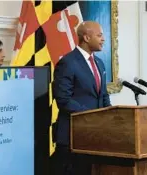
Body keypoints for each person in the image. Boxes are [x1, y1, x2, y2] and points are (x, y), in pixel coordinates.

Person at [52, 21, 111, 175]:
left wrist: (111, 115)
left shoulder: (99, 63)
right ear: (86, 37)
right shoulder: (67, 62)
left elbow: (103, 95)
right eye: (99, 35)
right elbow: (63, 99)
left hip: (95, 135)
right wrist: (91, 116)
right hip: (73, 136)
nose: (103, 39)